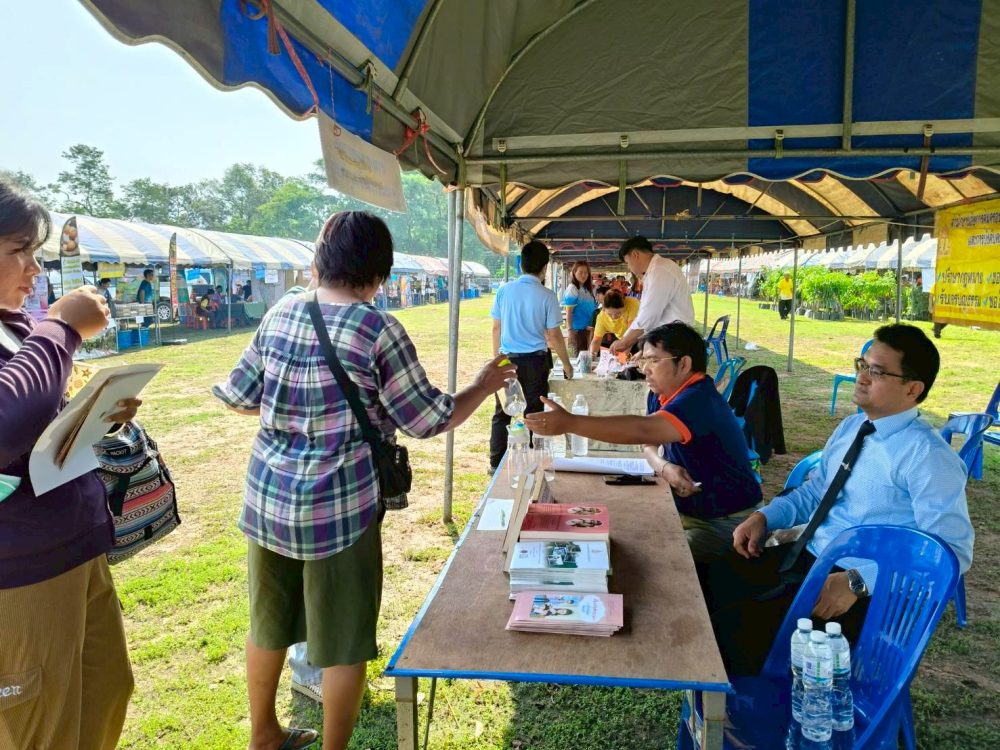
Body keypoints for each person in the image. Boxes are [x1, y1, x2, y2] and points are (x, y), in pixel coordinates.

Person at [213, 210, 516, 750]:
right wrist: (480, 384)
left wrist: (294, 413)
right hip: (340, 509)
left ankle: (263, 734)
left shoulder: (281, 313)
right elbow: (427, 419)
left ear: (321, 260)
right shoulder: (378, 329)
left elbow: (239, 396)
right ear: (380, 271)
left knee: (268, 624)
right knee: (344, 643)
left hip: (268, 500)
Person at [704, 324, 973, 675]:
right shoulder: (851, 427)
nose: (861, 377)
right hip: (808, 556)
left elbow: (951, 551)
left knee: (722, 634)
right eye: (862, 365)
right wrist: (765, 517)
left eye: (877, 372)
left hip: (856, 592)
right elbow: (816, 491)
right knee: (707, 584)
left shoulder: (927, 456)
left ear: (913, 389)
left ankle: (738, 693)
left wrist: (859, 581)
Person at [0, 179, 140, 750]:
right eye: (19, 250)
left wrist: (97, 416)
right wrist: (61, 325)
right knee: (44, 727)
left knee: (105, 692)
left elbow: (36, 425)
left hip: (72, 547)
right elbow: (6, 421)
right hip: (19, 570)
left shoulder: (13, 325)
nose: (33, 269)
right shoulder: (39, 329)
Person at [528, 322, 762, 562]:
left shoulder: (697, 400)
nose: (645, 369)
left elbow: (642, 430)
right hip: (688, 509)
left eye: (654, 360)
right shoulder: (661, 394)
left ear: (684, 363)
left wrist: (571, 423)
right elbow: (649, 443)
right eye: (643, 360)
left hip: (726, 520)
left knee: (650, 559)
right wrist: (664, 466)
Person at [489, 240, 573, 474]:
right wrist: (567, 365)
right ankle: (531, 461)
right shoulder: (547, 295)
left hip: (507, 360)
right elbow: (554, 335)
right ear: (545, 267)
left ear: (521, 264)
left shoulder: (504, 290)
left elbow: (496, 328)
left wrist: (497, 359)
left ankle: (496, 462)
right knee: (534, 412)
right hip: (535, 361)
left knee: (503, 412)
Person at [610, 236, 695, 355]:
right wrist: (643, 349)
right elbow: (649, 317)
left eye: (628, 263)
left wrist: (625, 342)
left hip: (675, 340)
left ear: (635, 255)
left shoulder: (660, 270)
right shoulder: (654, 271)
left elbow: (649, 315)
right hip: (668, 338)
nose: (629, 268)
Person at [562, 261, 597, 357]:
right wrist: (570, 330)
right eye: (580, 272)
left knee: (588, 358)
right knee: (581, 359)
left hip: (588, 329)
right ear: (574, 273)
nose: (584, 275)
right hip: (578, 331)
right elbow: (569, 312)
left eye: (586, 272)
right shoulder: (572, 288)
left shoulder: (585, 288)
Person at [589, 289, 640, 356]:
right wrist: (592, 355)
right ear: (603, 309)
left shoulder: (632, 304)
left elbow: (632, 332)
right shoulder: (601, 317)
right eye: (610, 314)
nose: (614, 317)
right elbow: (596, 340)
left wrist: (622, 357)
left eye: (618, 313)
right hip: (622, 340)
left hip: (639, 337)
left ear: (624, 304)